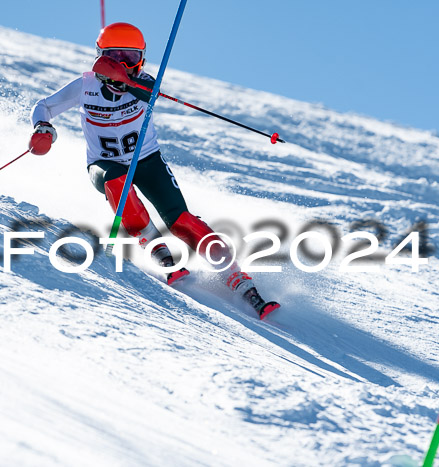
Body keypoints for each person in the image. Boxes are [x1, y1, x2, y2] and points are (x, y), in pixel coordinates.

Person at [29, 22, 279, 318]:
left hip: (147, 160)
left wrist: (126, 80)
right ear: (99, 57)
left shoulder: (144, 82)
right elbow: (43, 106)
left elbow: (150, 92)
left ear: (141, 61)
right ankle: (154, 245)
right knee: (116, 181)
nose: (122, 64)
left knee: (182, 221)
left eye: (130, 58)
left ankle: (238, 278)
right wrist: (43, 127)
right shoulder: (86, 86)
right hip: (103, 165)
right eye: (113, 56)